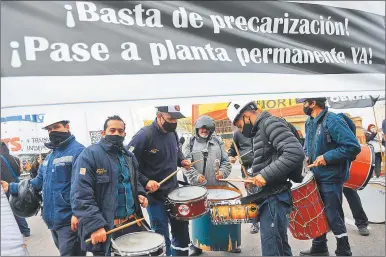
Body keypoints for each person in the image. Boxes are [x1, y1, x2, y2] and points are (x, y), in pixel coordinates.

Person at [227, 101, 305, 256]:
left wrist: (265, 175)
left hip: (274, 197)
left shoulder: (269, 124)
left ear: (246, 116)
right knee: (280, 246)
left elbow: (294, 152)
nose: (241, 130)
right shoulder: (261, 128)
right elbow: (269, 159)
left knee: (272, 250)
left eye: (240, 125)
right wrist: (256, 177)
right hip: (270, 196)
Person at [2, 115, 85, 256]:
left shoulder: (79, 152)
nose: (52, 131)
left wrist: (78, 213)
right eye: (49, 129)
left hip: (69, 221)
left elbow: (83, 187)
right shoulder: (50, 156)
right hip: (53, 220)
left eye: (57, 127)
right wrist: (11, 187)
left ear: (67, 127)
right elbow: (36, 183)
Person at [71, 115, 149, 256]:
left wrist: (140, 193)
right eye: (112, 130)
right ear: (103, 133)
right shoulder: (89, 155)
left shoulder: (128, 156)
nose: (116, 134)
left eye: (120, 131)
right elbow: (81, 194)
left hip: (132, 223)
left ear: (125, 134)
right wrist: (95, 226)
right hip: (106, 229)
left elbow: (134, 180)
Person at [299, 97, 361, 256]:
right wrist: (307, 156)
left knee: (333, 214)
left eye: (304, 102)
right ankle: (319, 247)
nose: (303, 106)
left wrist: (326, 157)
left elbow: (352, 146)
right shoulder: (309, 122)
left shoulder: (333, 120)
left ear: (313, 103)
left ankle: (344, 250)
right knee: (318, 212)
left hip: (332, 176)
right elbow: (309, 146)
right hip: (316, 176)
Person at [127, 106, 192, 256]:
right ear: (159, 116)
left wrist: (182, 161)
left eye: (176, 119)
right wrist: (145, 181)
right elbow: (127, 162)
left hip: (174, 194)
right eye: (170, 119)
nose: (174, 122)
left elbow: (177, 152)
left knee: (181, 233)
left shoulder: (173, 133)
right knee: (161, 237)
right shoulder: (144, 135)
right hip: (155, 197)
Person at [183, 115, 239, 254]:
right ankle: (196, 244)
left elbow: (226, 162)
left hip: (217, 185)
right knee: (198, 216)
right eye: (202, 127)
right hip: (198, 187)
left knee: (222, 214)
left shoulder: (218, 142)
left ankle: (228, 242)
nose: (204, 130)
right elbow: (186, 165)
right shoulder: (189, 143)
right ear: (197, 128)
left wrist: (222, 172)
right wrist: (196, 177)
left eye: (207, 128)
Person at [227, 130, 260, 234]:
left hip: (262, 165)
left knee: (265, 194)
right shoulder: (237, 134)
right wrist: (231, 157)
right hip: (247, 168)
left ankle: (267, 219)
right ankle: (254, 222)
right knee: (252, 195)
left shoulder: (261, 129)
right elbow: (232, 150)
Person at [0, 142, 31, 237]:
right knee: (17, 207)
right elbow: (18, 173)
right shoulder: (15, 158)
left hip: (4, 186)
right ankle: (25, 230)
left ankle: (12, 233)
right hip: (15, 185)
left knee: (6, 210)